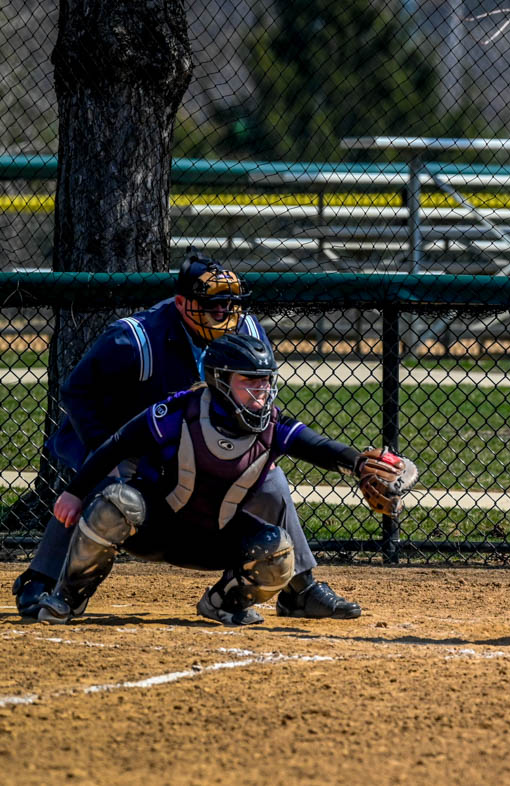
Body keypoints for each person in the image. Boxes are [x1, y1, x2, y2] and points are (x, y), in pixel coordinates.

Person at [13, 254, 360, 620]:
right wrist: (106, 450)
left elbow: (258, 403)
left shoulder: (249, 332)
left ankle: (300, 590)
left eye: (231, 302)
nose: (225, 311)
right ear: (182, 304)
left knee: (272, 480)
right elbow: (78, 393)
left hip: (201, 437)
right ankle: (43, 579)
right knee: (100, 483)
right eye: (213, 303)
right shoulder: (136, 338)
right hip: (134, 435)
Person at [35, 333, 416, 626]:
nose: (261, 392)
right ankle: (68, 597)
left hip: (213, 540)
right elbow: (116, 446)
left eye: (266, 382)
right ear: (219, 379)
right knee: (116, 502)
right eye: (249, 381)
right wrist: (74, 491)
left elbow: (320, 447)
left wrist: (359, 464)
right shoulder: (179, 410)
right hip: (153, 528)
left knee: (277, 550)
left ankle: (222, 603)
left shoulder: (273, 425)